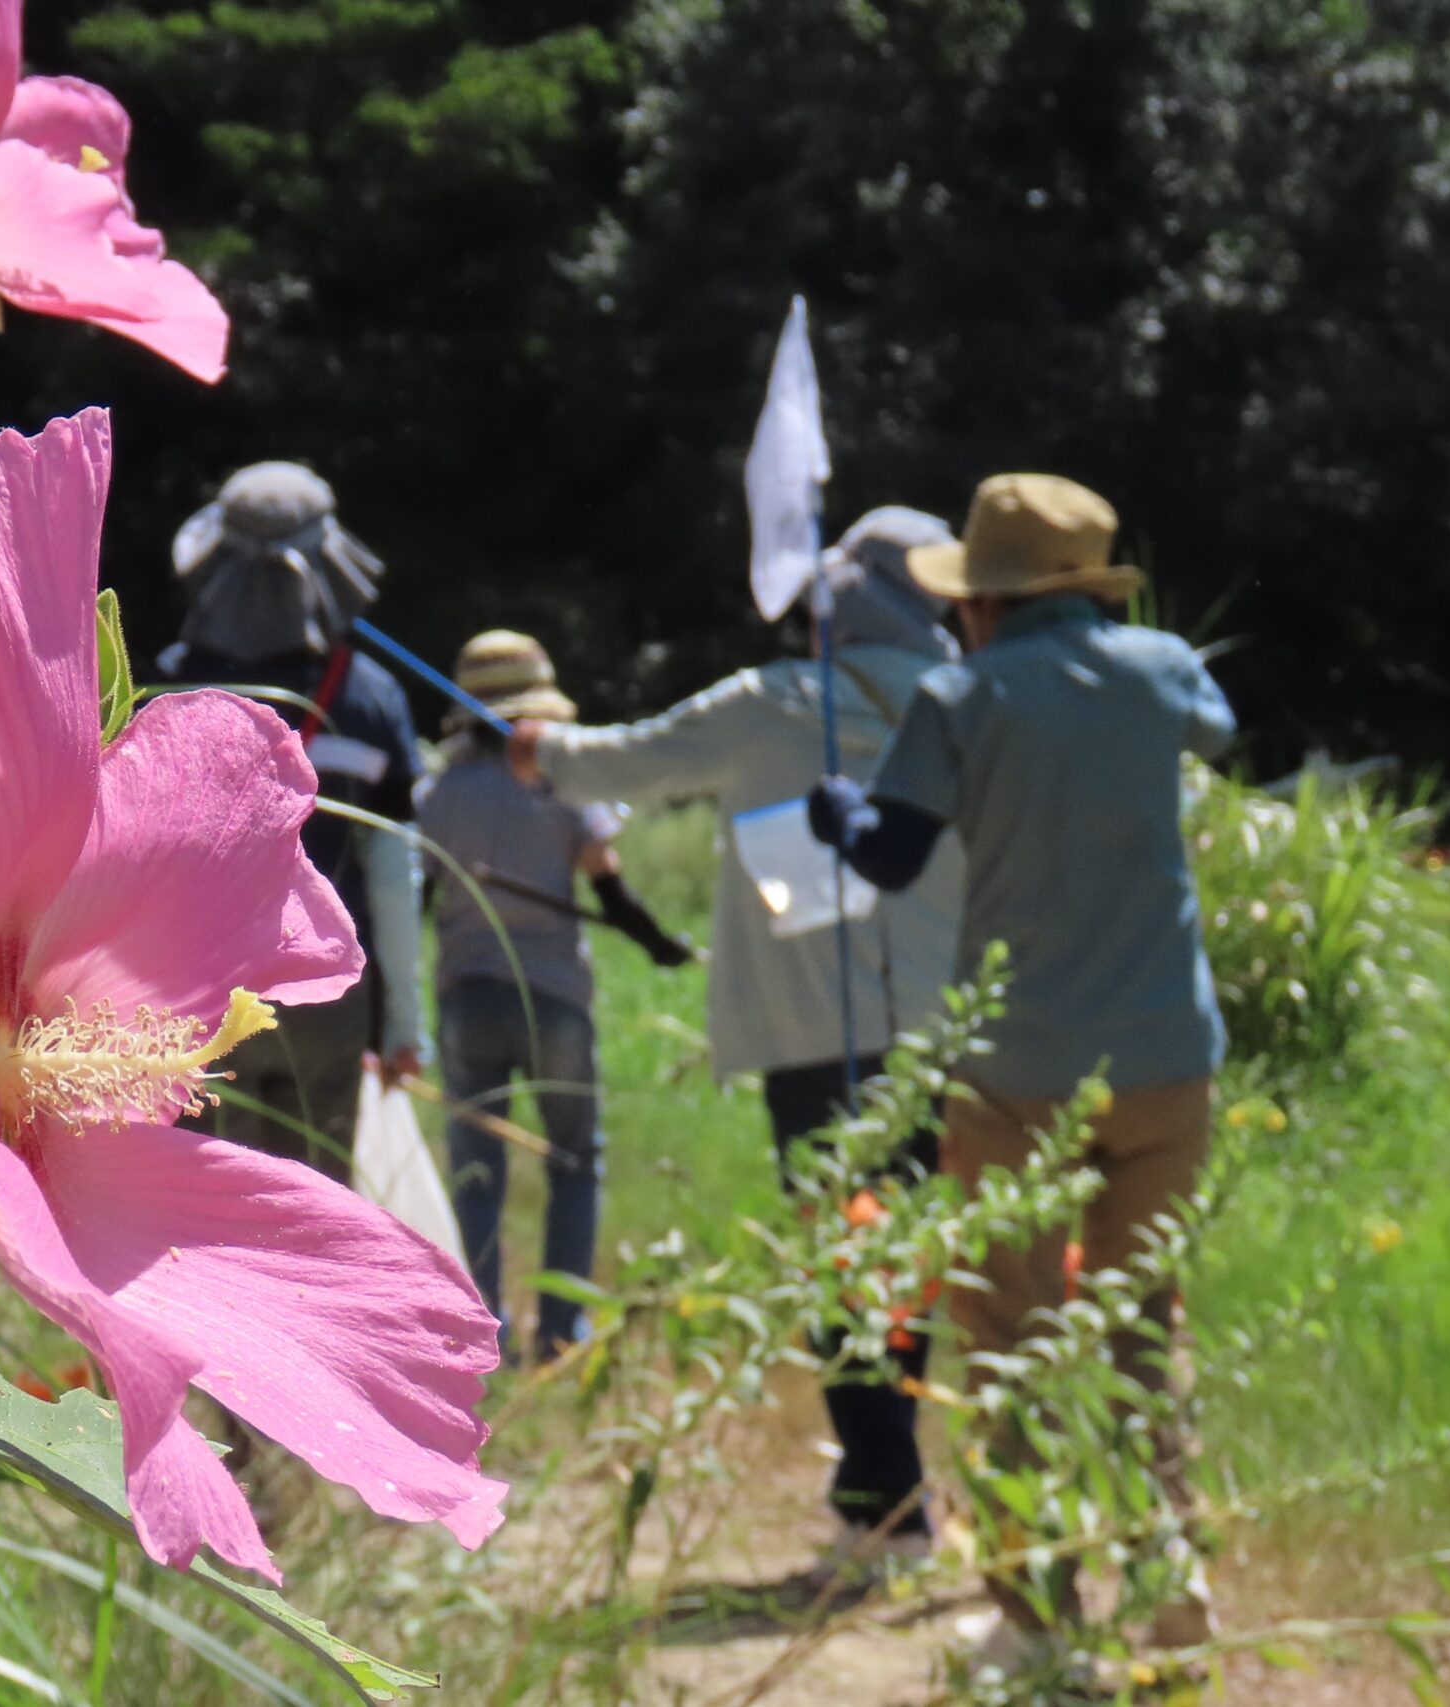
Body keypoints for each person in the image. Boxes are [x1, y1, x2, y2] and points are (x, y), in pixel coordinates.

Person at [809, 472, 1235, 1663]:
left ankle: (1036, 1619)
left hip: (1018, 1071)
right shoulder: (1164, 669)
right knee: (1142, 1319)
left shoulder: (961, 693)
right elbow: (1217, 729)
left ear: (982, 600)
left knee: (1010, 1336)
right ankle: (1168, 1575)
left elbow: (890, 856)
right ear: (1090, 586)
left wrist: (839, 812)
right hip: (1167, 1056)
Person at [509, 507, 968, 1561]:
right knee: (906, 1258)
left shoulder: (774, 703)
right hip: (946, 1028)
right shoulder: (965, 703)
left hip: (815, 1033)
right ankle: (880, 1489)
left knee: (842, 1258)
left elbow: (632, 761)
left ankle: (887, 1504)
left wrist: (539, 750)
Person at [157, 462, 427, 1181]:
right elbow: (393, 877)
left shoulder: (170, 683)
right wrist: (404, 1024)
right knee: (314, 1205)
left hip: (198, 993)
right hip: (328, 995)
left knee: (209, 1204)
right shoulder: (370, 699)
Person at [419, 630, 683, 1363]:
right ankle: (562, 1333)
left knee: (477, 1170)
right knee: (573, 1160)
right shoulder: (561, 781)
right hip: (554, 998)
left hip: (467, 996)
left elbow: (418, 896)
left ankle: (483, 1333)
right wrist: (661, 944)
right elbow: (610, 885)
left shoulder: (438, 792)